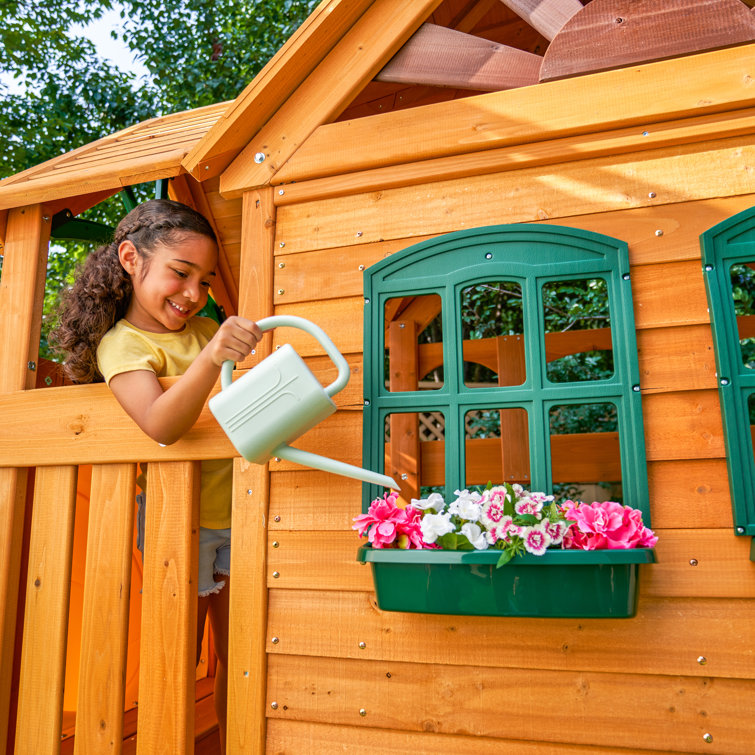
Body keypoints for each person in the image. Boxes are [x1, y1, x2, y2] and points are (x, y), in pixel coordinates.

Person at [52, 198, 262, 753]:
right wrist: (214, 353)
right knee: (175, 656)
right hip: (180, 524)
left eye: (206, 280)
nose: (194, 293)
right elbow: (161, 423)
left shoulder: (201, 334)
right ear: (130, 257)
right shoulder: (123, 343)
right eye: (181, 272)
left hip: (239, 515)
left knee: (240, 660)